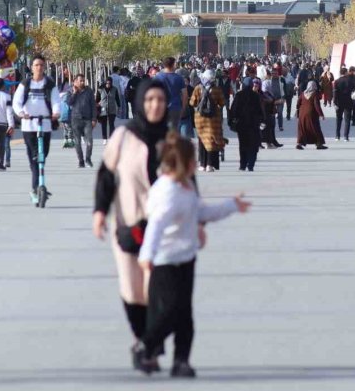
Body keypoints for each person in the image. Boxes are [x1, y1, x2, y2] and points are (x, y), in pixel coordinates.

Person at [134, 133, 251, 377]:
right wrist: (147, 254)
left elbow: (202, 212)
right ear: (182, 162)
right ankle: (146, 345)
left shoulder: (184, 188)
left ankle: (181, 361)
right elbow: (155, 225)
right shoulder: (169, 193)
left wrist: (231, 206)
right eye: (193, 160)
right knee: (172, 310)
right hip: (165, 261)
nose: (196, 165)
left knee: (185, 316)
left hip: (186, 259)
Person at [94, 79, 171, 370]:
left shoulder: (171, 139)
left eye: (160, 100)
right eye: (149, 99)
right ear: (140, 102)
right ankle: (143, 339)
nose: (155, 105)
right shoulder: (123, 137)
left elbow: (187, 182)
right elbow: (105, 174)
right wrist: (100, 211)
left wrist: (197, 221)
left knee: (156, 289)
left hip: (162, 227)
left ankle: (149, 344)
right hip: (128, 222)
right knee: (131, 290)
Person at [13, 55, 61, 204]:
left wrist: (56, 112)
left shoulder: (49, 84)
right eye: (36, 65)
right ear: (32, 67)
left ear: (44, 67)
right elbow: (17, 102)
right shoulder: (25, 84)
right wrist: (21, 113)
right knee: (34, 158)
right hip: (29, 126)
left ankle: (38, 185)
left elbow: (56, 101)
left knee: (42, 156)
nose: (39, 67)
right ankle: (36, 187)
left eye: (41, 65)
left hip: (45, 125)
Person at [189, 70, 226, 172]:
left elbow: (192, 102)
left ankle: (202, 164)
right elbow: (222, 102)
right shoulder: (216, 89)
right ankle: (210, 164)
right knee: (211, 141)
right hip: (213, 119)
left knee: (201, 141)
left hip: (200, 119)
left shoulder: (198, 88)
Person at [229, 77, 265, 171]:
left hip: (242, 126)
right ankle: (251, 164)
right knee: (253, 145)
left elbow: (233, 110)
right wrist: (262, 120)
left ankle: (243, 164)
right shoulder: (255, 96)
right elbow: (260, 111)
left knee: (243, 145)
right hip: (253, 125)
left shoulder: (239, 95)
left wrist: (231, 122)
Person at [66, 73, 97, 168]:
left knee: (89, 141)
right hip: (75, 120)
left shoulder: (89, 91)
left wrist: (94, 119)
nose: (83, 82)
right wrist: (75, 93)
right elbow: (69, 102)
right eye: (81, 81)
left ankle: (88, 158)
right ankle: (81, 161)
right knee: (77, 142)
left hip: (87, 120)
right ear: (75, 81)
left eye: (83, 80)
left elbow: (93, 105)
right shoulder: (70, 91)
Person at [156, 57, 188, 130]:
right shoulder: (179, 78)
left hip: (161, 108)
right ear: (173, 64)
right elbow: (185, 95)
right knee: (173, 131)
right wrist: (183, 108)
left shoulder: (158, 77)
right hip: (175, 108)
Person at [295, 81, 327, 150]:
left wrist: (299, 110)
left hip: (302, 114)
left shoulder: (303, 94)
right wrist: (321, 114)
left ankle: (299, 143)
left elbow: (298, 104)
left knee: (303, 129)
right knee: (315, 128)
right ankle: (319, 144)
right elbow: (316, 105)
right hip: (311, 114)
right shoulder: (315, 94)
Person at [332, 67, 355, 141]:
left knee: (338, 119)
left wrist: (335, 102)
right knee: (347, 119)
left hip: (339, 102)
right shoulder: (350, 81)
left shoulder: (337, 81)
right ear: (346, 72)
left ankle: (337, 136)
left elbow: (335, 93)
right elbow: (354, 90)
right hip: (348, 101)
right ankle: (346, 136)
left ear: (340, 73)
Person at [97, 77, 120, 143]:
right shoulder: (100, 90)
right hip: (103, 109)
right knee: (104, 124)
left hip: (112, 109)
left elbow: (117, 99)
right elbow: (97, 100)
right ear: (105, 83)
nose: (108, 84)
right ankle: (104, 138)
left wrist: (119, 107)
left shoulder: (114, 89)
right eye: (107, 83)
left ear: (111, 83)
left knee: (111, 124)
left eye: (109, 83)